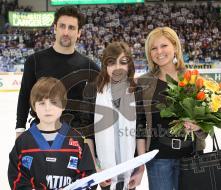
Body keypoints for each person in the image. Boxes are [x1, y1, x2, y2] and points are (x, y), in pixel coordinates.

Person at [137, 27, 207, 190]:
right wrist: (140, 161)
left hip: (191, 157)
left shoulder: (193, 79)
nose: (159, 52)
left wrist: (198, 125)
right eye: (153, 48)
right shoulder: (143, 82)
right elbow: (139, 125)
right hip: (158, 160)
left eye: (164, 46)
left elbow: (207, 124)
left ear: (175, 47)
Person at [15, 6, 100, 138]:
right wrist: (20, 128)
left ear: (79, 32)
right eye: (62, 26)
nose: (66, 32)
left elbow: (95, 107)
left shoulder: (90, 67)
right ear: (55, 28)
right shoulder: (34, 61)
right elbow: (24, 95)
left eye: (71, 27)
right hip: (40, 133)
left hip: (75, 136)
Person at [8, 77, 96, 189]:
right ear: (34, 106)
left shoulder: (77, 139)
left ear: (63, 105)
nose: (48, 108)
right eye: (42, 103)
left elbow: (88, 176)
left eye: (53, 102)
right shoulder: (23, 142)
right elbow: (17, 178)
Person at [80, 42, 146, 190]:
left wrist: (141, 168)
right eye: (112, 63)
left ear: (129, 65)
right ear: (105, 65)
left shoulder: (136, 89)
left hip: (130, 167)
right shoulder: (92, 89)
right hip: (103, 168)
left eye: (122, 62)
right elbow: (87, 134)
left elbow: (140, 130)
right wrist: (96, 169)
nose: (117, 68)